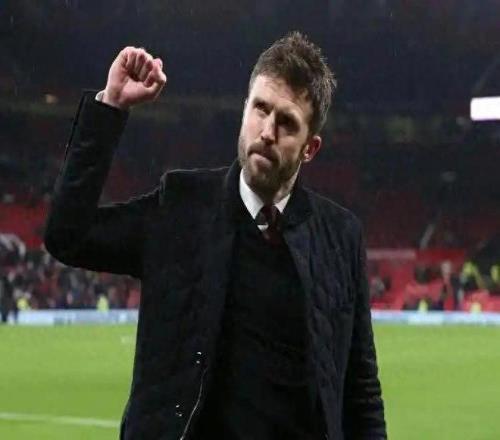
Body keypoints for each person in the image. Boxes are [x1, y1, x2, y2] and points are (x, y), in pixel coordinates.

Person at [44, 32, 386, 440]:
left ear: (310, 148)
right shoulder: (181, 207)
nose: (267, 131)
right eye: (260, 109)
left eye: (286, 122)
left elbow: (360, 392)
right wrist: (110, 107)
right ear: (244, 110)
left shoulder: (341, 237)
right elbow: (68, 235)